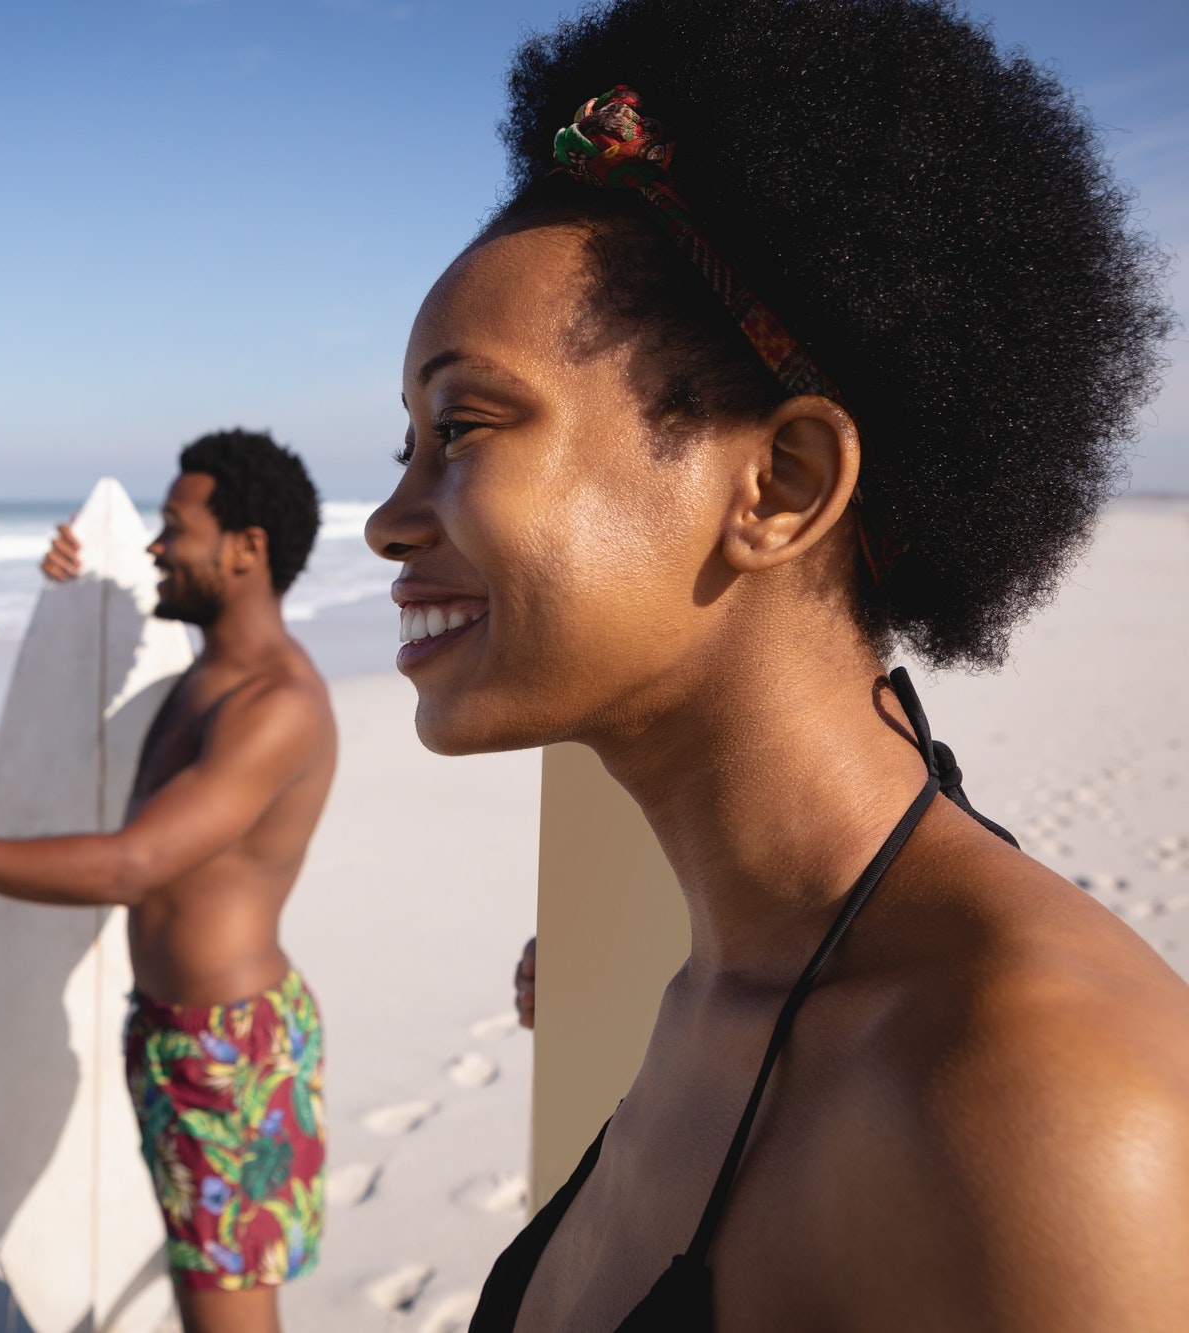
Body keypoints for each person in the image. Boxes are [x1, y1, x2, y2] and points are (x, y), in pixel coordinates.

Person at [363, 0, 1189, 1328]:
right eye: (401, 444)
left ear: (782, 483)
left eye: (464, 423)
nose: (388, 520)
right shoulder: (702, 982)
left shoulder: (1044, 1106)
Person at [0, 429, 335, 1333]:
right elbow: (88, 721)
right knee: (193, 1294)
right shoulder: (200, 680)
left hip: (231, 1056)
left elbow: (133, 862)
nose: (155, 544)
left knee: (228, 1320)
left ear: (247, 548)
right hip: (168, 1030)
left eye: (174, 526)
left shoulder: (275, 707)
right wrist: (77, 593)